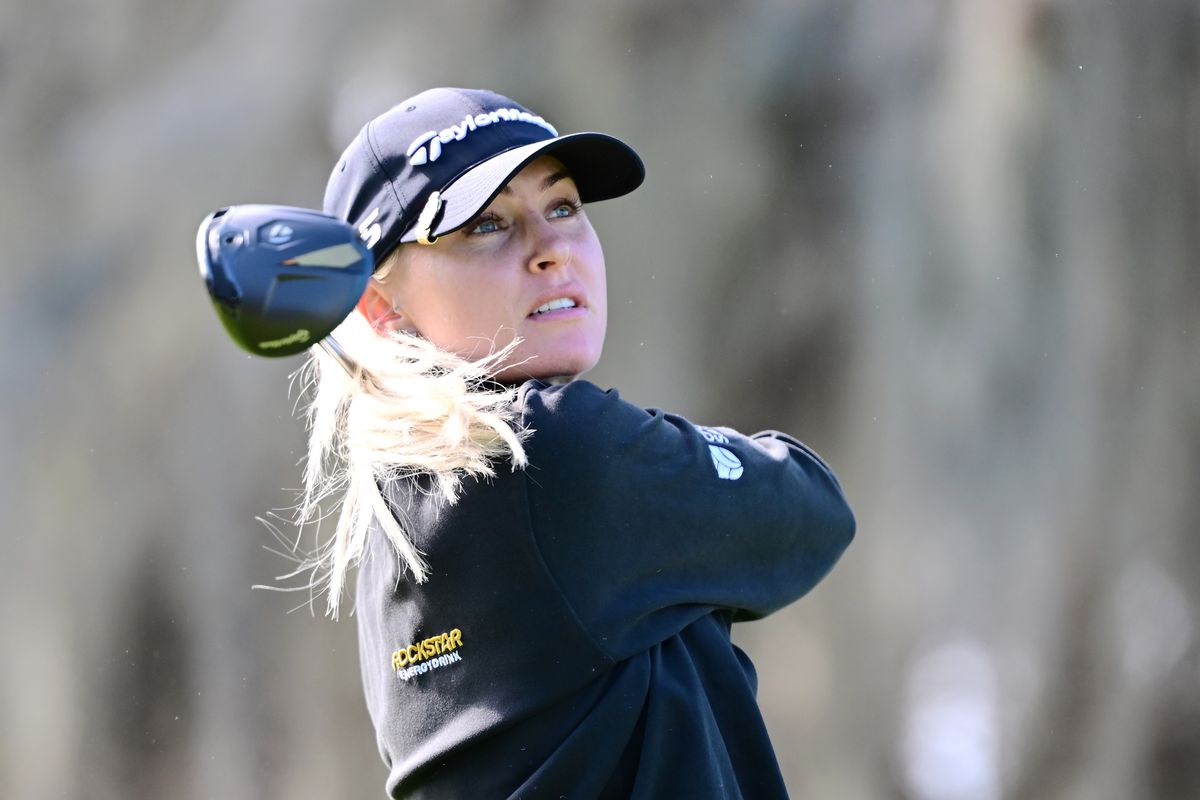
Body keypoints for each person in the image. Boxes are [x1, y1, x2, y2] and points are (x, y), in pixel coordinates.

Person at [298, 87, 855, 799]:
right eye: (488, 224)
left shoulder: (394, 525)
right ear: (382, 307)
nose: (552, 248)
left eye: (562, 207)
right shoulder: (553, 453)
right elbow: (809, 510)